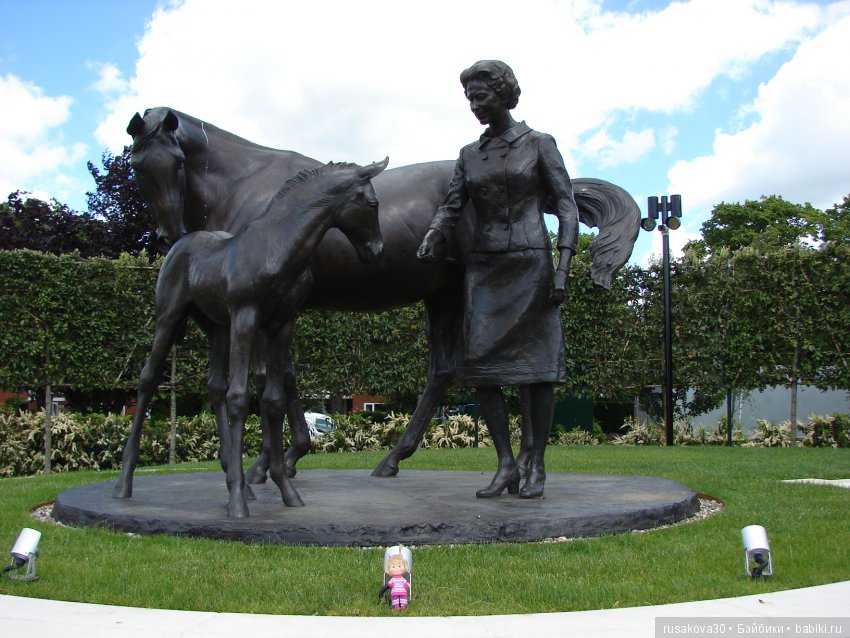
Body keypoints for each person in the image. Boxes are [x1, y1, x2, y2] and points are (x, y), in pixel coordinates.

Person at [417, 60, 578, 499]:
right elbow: (452, 205)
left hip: (531, 264)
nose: (474, 106)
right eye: (469, 98)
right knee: (482, 370)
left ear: (505, 94)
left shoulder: (539, 143)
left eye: (481, 96)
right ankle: (506, 463)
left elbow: (566, 206)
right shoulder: (469, 155)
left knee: (537, 372)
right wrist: (435, 233)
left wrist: (563, 266)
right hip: (485, 268)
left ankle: (536, 464)